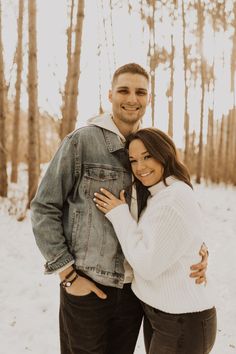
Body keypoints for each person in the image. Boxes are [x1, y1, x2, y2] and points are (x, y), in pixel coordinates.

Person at [31, 63, 208, 354]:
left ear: (148, 99)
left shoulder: (152, 147)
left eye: (140, 92)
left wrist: (200, 249)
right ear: (110, 94)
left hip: (134, 292)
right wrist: (68, 275)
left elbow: (175, 206)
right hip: (88, 285)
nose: (132, 98)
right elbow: (43, 207)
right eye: (124, 90)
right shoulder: (82, 141)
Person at [93, 127, 217, 354]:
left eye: (147, 156)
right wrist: (201, 248)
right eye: (133, 160)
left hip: (182, 321)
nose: (140, 167)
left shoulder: (173, 197)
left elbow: (147, 265)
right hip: (163, 317)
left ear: (164, 153)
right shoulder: (159, 194)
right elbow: (180, 234)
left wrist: (119, 214)